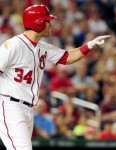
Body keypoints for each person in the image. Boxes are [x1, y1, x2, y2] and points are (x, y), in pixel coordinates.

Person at [0, 4, 110, 150]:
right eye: (47, 21)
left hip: (27, 108)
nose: (51, 24)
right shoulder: (13, 45)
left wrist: (89, 45)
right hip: (10, 105)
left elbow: (67, 57)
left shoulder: (41, 47)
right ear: (37, 22)